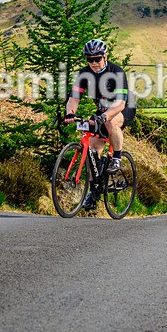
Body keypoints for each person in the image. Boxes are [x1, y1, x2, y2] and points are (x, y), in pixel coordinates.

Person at [63, 39, 136, 210]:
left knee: (111, 123)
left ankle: (117, 157)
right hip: (103, 109)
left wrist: (103, 117)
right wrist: (70, 113)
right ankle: (95, 190)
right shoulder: (84, 74)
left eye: (97, 58)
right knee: (92, 148)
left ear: (105, 56)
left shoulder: (116, 72)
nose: (94, 63)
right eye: (90, 59)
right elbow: (74, 98)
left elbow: (120, 104)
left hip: (123, 107)